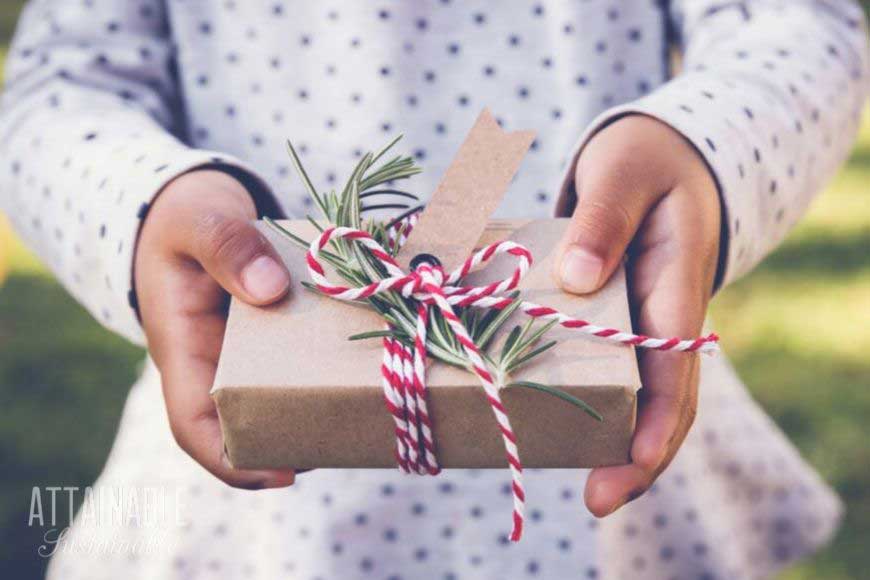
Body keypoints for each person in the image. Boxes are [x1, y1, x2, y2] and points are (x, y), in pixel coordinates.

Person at [1, 1, 866, 578]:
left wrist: (701, 144)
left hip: (599, 387)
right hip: (257, 477)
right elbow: (60, 87)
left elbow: (793, 26)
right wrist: (142, 203)